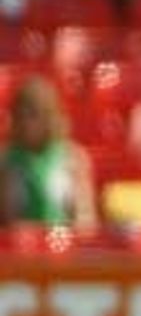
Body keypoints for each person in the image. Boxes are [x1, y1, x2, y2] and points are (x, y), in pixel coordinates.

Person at [0, 75, 97, 229]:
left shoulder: (73, 158)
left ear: (50, 115)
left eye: (34, 114)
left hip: (63, 243)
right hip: (21, 247)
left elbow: (85, 219)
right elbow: (6, 220)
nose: (26, 122)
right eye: (20, 115)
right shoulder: (6, 161)